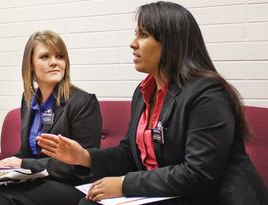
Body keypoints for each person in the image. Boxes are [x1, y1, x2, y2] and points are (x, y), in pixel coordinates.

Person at [37, 2, 268, 205]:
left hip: (211, 196)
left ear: (170, 42)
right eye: (135, 34)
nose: (133, 43)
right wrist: (84, 157)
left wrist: (125, 184)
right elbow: (129, 153)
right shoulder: (144, 91)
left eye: (143, 34)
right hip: (169, 194)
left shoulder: (207, 94)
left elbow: (198, 174)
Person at [0, 30, 102, 205]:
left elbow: (85, 166)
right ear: (31, 65)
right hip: (36, 179)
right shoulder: (28, 101)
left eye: (59, 56)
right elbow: (27, 152)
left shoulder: (83, 102)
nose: (54, 62)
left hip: (71, 185)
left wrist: (23, 164)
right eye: (45, 57)